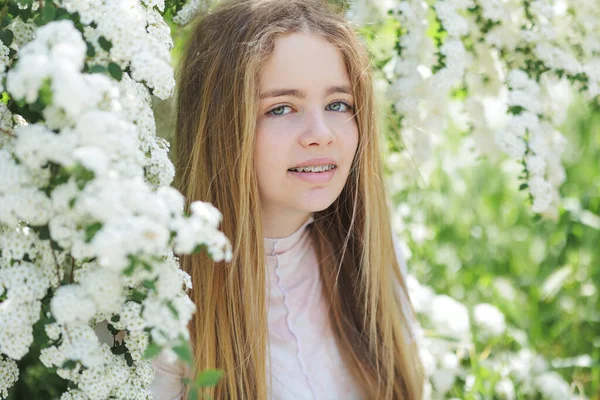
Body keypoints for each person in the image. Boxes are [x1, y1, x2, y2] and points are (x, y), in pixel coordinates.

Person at [152, 0, 424, 398]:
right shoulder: (162, 301)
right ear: (221, 127)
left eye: (337, 105)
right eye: (281, 108)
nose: (320, 133)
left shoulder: (369, 253)